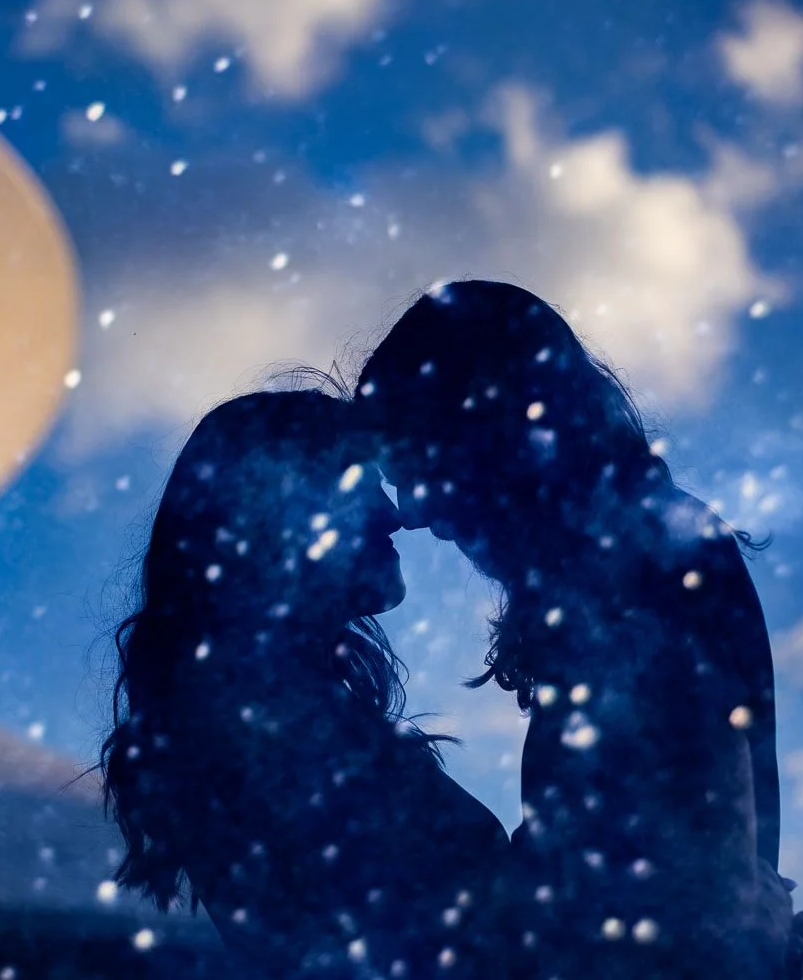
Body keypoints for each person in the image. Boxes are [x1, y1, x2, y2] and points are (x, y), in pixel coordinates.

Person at [351, 280, 803, 978]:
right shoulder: (638, 554)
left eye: (415, 464)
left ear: (485, 434)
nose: (410, 509)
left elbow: (665, 895)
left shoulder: (646, 565)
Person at [99, 389, 508, 979]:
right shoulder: (261, 723)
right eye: (357, 482)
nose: (394, 513)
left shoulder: (254, 710)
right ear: (278, 513)